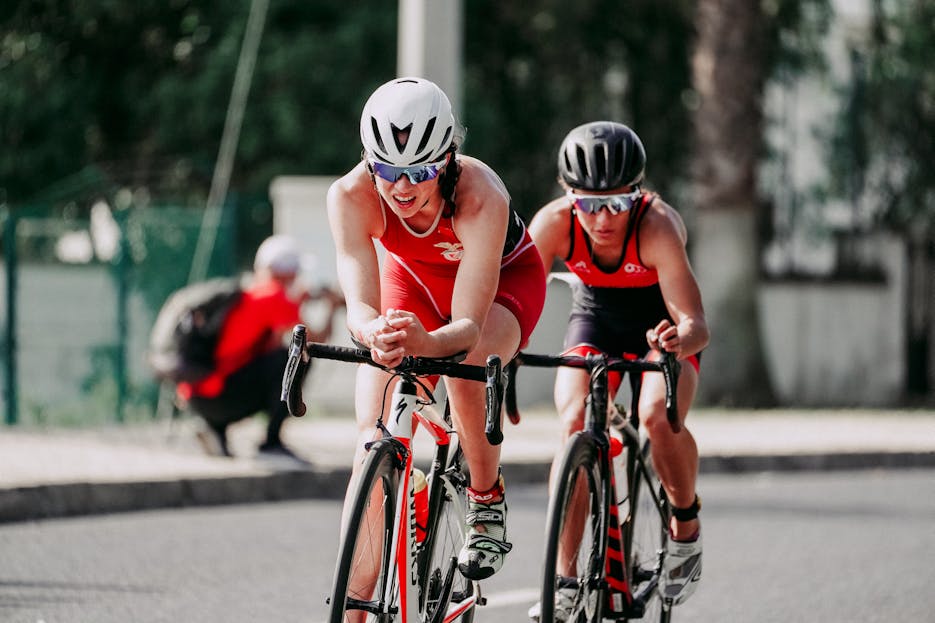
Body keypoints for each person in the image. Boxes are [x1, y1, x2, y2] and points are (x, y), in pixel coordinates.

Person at [326, 76, 546, 581]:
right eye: (386, 170)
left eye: (420, 170)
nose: (401, 188)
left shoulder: (479, 196)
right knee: (370, 441)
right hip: (414, 278)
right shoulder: (350, 195)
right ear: (367, 159)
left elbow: (467, 324)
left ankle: (486, 498)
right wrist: (373, 331)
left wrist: (425, 343)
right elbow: (359, 306)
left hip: (503, 281)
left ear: (447, 157)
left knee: (465, 367)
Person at [527, 121, 709, 615]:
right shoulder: (553, 223)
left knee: (655, 415)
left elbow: (696, 324)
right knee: (573, 423)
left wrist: (676, 340)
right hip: (595, 321)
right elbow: (513, 301)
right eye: (587, 204)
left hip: (661, 328)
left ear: (638, 194)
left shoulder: (659, 226)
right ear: (568, 196)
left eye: (617, 204)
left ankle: (685, 528)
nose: (602, 219)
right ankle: (564, 578)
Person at [177, 234, 344, 462]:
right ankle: (271, 442)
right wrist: (332, 307)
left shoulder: (253, 291)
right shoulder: (274, 296)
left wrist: (298, 302)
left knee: (276, 360)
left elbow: (266, 343)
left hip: (201, 395)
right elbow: (316, 340)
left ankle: (216, 429)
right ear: (286, 270)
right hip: (219, 397)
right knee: (295, 360)